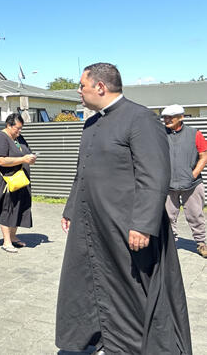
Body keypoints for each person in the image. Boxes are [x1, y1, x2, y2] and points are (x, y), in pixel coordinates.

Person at [56, 63, 191, 354]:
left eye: (82, 86)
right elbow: (82, 171)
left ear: (100, 87)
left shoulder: (140, 119)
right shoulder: (90, 123)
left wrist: (143, 223)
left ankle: (137, 345)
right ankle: (101, 337)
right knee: (92, 279)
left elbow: (154, 174)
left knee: (132, 286)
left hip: (127, 224)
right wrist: (70, 209)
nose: (79, 91)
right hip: (93, 222)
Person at [0, 113, 36, 253]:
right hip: (5, 180)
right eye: (18, 128)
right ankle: (6, 241)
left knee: (18, 207)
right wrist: (23, 160)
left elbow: (25, 153)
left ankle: (13, 236)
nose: (20, 131)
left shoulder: (18, 138)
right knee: (7, 209)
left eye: (21, 128)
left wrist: (31, 157)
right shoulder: (0, 138)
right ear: (9, 125)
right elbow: (1, 160)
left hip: (20, 179)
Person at [161, 104, 207, 258]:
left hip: (192, 185)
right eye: (165, 117)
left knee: (196, 215)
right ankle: (170, 245)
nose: (166, 120)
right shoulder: (160, 134)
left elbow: (203, 156)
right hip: (168, 185)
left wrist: (193, 175)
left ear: (181, 117)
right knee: (168, 217)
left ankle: (201, 244)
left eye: (170, 117)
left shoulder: (195, 134)